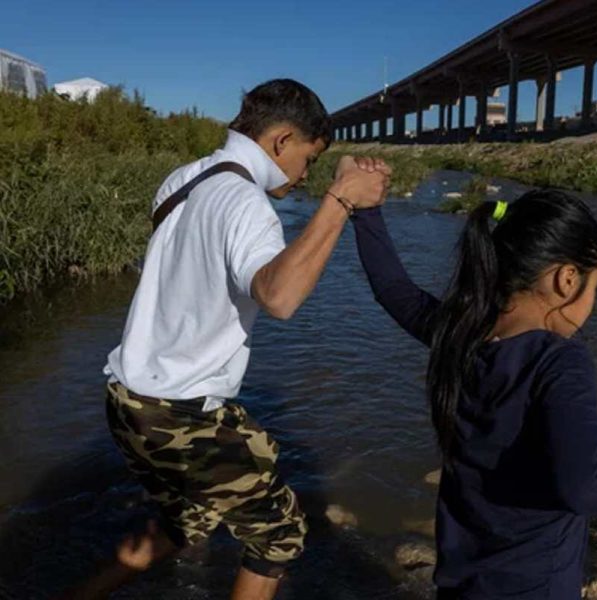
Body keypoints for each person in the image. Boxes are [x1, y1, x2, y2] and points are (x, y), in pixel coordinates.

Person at [65, 80, 391, 600]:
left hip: (127, 398)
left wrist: (338, 180)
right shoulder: (247, 204)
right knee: (279, 534)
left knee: (183, 524)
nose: (306, 174)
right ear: (282, 140)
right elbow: (279, 297)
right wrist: (340, 202)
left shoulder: (185, 178)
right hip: (176, 412)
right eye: (309, 158)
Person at [352, 189, 597, 599]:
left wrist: (367, 212)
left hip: (461, 583)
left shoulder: (461, 335)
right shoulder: (560, 360)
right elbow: (589, 489)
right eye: (594, 287)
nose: (592, 303)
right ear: (566, 279)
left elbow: (394, 289)